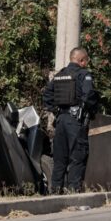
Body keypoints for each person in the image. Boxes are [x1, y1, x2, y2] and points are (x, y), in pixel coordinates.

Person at [42, 47, 99, 194]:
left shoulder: (60, 75)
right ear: (81, 60)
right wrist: (87, 111)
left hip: (61, 120)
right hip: (76, 121)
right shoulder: (84, 74)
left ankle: (55, 190)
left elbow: (47, 95)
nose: (86, 63)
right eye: (86, 60)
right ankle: (74, 190)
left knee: (60, 157)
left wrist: (56, 111)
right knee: (78, 155)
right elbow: (89, 96)